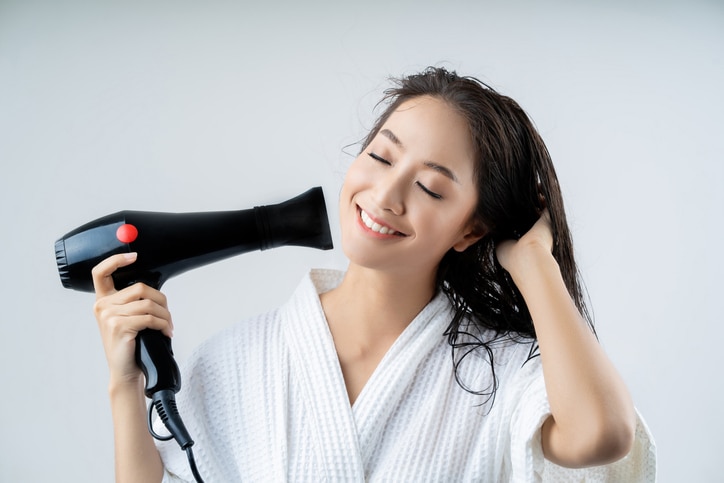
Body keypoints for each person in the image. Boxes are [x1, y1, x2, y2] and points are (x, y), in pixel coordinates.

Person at [92, 66, 656, 482]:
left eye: (431, 187)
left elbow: (601, 436)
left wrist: (534, 262)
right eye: (381, 158)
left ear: (471, 230)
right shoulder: (238, 361)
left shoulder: (501, 371)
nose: (385, 196)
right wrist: (125, 386)